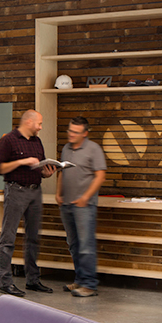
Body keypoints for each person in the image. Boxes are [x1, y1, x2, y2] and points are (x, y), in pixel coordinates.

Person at [0, 109, 56, 297]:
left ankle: (32, 280)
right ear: (28, 122)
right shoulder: (8, 140)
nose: (41, 127)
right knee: (8, 238)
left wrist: (46, 172)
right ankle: (5, 282)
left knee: (33, 237)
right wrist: (21, 162)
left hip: (35, 191)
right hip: (16, 191)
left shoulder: (37, 141)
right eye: (39, 124)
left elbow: (39, 167)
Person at [57, 117, 107, 297]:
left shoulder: (93, 149)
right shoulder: (66, 148)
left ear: (85, 133)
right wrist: (58, 193)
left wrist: (85, 197)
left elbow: (100, 176)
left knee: (86, 245)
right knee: (74, 244)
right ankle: (79, 280)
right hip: (67, 205)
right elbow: (62, 171)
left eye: (75, 132)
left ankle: (89, 285)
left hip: (84, 206)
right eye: (70, 130)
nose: (71, 134)